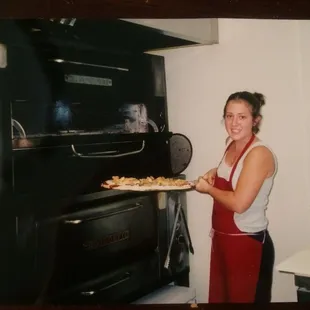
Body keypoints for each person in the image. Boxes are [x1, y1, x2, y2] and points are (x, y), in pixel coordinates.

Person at [195, 91, 277, 304]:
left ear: (255, 120)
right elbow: (237, 173)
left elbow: (239, 204)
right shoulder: (232, 145)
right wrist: (215, 171)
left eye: (242, 116)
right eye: (229, 116)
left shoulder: (259, 153)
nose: (234, 123)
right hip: (224, 244)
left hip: (247, 246)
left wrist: (208, 189)